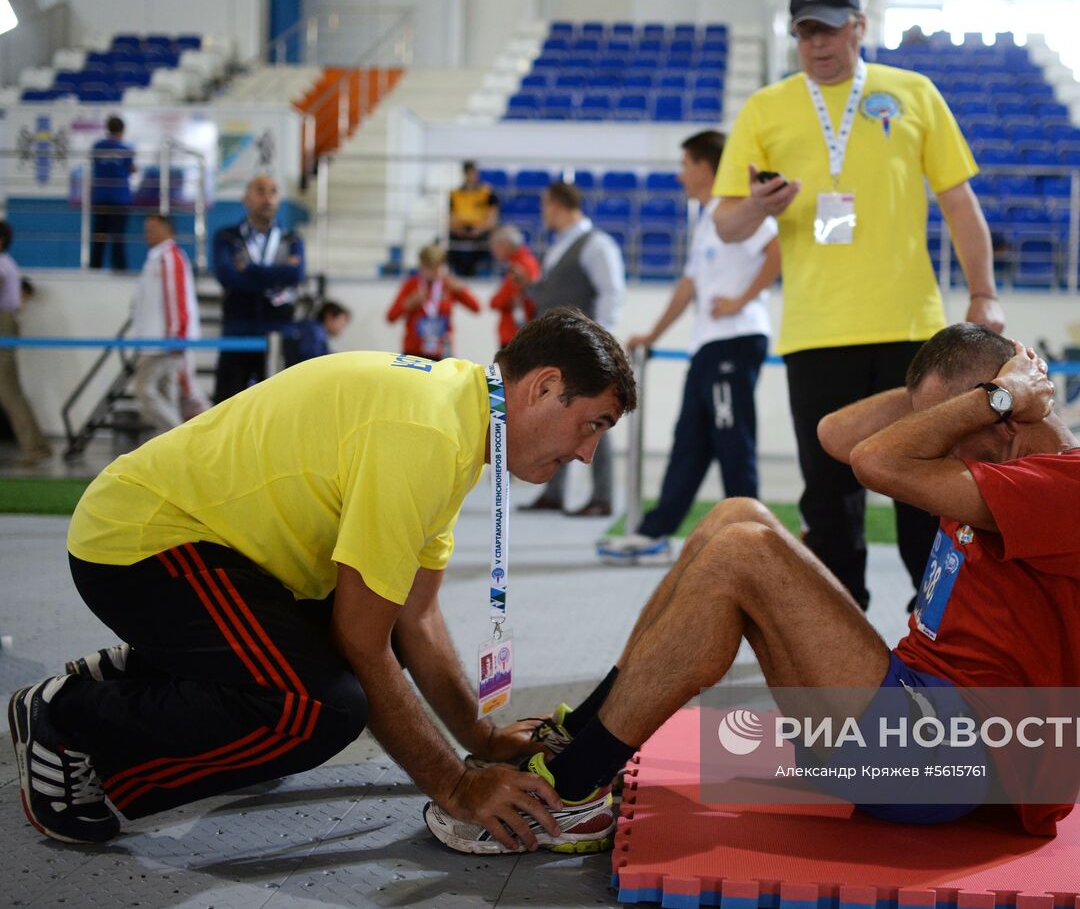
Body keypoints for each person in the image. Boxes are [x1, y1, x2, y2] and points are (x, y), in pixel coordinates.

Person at [423, 323, 1080, 854]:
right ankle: (581, 732)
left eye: (962, 429)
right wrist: (978, 392)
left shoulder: (1079, 488)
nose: (942, 448)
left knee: (745, 552)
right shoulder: (1001, 451)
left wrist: (998, 395)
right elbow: (835, 432)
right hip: (912, 716)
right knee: (739, 516)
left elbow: (872, 460)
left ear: (1010, 423)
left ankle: (573, 788)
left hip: (954, 757)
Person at [8, 307, 637, 850]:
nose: (587, 454)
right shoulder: (425, 434)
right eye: (593, 425)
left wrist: (481, 737)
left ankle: (152, 668)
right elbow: (364, 645)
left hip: (218, 554)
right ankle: (71, 719)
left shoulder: (457, 413)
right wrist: (456, 785)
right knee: (313, 712)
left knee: (360, 634)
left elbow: (415, 617)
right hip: (141, 542)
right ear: (546, 386)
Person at [711, 0, 1005, 611]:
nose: (819, 43)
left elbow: (958, 201)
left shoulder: (914, 93)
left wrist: (983, 293)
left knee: (924, 485)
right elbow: (726, 224)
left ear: (860, 26)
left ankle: (938, 627)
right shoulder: (766, 108)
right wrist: (759, 205)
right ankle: (840, 632)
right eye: (805, 31)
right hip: (816, 331)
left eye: (831, 27)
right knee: (827, 494)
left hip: (912, 331)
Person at [600, 130, 780, 564]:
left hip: (735, 341)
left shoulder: (734, 211)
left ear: (705, 166)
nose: (680, 174)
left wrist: (742, 299)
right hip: (709, 346)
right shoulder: (706, 219)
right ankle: (655, 533)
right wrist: (653, 334)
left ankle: (753, 541)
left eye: (684, 164)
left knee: (732, 440)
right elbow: (689, 285)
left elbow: (777, 249)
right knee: (690, 442)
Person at [524, 182, 626, 518]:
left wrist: (595, 340)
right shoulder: (561, 246)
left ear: (557, 205)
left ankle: (603, 496)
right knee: (560, 417)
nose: (543, 214)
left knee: (594, 419)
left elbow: (612, 294)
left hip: (583, 348)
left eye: (545, 206)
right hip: (561, 347)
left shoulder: (596, 244)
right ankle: (554, 492)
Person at [212, 175, 306, 401]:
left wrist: (249, 269)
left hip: (278, 332)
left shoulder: (291, 238)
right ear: (246, 198)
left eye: (273, 192)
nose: (267, 198)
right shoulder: (227, 237)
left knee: (279, 407)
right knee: (228, 406)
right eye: (260, 191)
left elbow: (296, 274)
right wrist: (277, 273)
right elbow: (228, 277)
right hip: (238, 332)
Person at [129, 214, 209, 435]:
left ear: (168, 230)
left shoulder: (170, 257)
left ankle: (181, 441)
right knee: (169, 396)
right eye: (146, 228)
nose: (147, 233)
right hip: (155, 341)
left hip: (165, 343)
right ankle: (175, 454)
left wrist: (177, 333)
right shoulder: (155, 259)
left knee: (144, 391)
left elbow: (177, 296)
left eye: (153, 228)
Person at [0, 221, 52, 465]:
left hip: (3, 324)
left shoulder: (2, 263)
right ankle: (38, 446)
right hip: (5, 322)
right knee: (10, 391)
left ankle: (36, 448)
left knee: (9, 392)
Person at [387, 244, 482, 361]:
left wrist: (461, 290)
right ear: (421, 265)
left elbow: (477, 308)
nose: (433, 271)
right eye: (429, 267)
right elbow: (390, 317)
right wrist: (408, 304)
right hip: (413, 352)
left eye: (437, 267)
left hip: (441, 352)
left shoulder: (448, 284)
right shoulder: (411, 285)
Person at [89, 115, 137, 272]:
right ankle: (120, 268)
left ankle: (94, 267)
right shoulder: (126, 149)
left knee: (99, 236)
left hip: (101, 197)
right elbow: (132, 169)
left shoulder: (97, 147)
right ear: (122, 131)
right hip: (119, 199)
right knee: (118, 236)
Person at [487, 226, 540, 347]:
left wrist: (495, 301)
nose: (493, 250)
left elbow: (499, 301)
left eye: (495, 245)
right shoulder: (522, 262)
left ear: (506, 244)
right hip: (517, 333)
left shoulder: (520, 266)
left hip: (516, 334)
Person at [447, 161, 500, 277]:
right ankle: (459, 273)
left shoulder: (487, 192)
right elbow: (450, 219)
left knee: (482, 242)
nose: (471, 177)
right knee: (451, 241)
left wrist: (479, 229)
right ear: (464, 174)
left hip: (481, 230)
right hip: (460, 230)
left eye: (473, 173)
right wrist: (459, 230)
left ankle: (472, 273)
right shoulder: (455, 193)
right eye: (468, 173)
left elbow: (493, 219)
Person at [283, 300, 351, 366]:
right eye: (342, 324)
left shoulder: (314, 329)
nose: (341, 329)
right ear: (329, 316)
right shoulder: (315, 332)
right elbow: (312, 360)